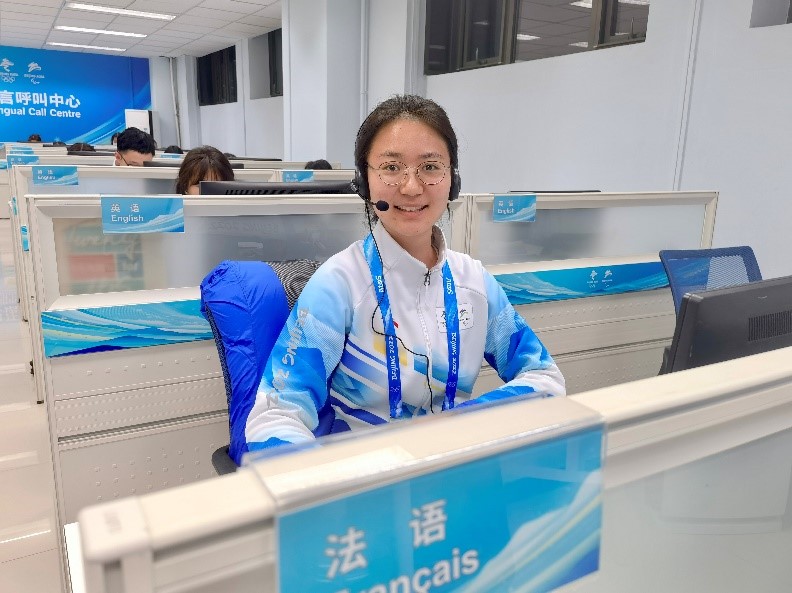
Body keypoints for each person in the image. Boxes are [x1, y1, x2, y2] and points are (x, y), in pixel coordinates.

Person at [244, 94, 565, 454]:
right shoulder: (339, 285)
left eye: (430, 167)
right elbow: (274, 415)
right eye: (391, 167)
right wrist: (327, 480)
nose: (411, 187)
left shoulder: (473, 282)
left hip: (457, 467)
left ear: (453, 180)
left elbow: (545, 377)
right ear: (365, 182)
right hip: (366, 476)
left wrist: (463, 422)